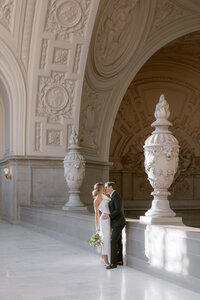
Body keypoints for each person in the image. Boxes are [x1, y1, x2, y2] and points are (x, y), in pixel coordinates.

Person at [102, 181, 126, 269]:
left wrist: (109, 216)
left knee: (113, 241)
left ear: (110, 187)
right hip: (116, 222)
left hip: (118, 223)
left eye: (106, 187)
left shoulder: (116, 196)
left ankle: (113, 263)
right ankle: (119, 260)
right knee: (118, 241)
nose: (105, 189)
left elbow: (118, 210)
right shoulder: (113, 196)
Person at [93, 182, 111, 266]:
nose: (105, 188)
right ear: (100, 189)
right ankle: (105, 258)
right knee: (105, 238)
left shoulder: (105, 197)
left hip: (110, 218)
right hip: (104, 221)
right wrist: (97, 227)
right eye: (104, 187)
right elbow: (96, 214)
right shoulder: (96, 200)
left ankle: (105, 256)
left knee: (109, 238)